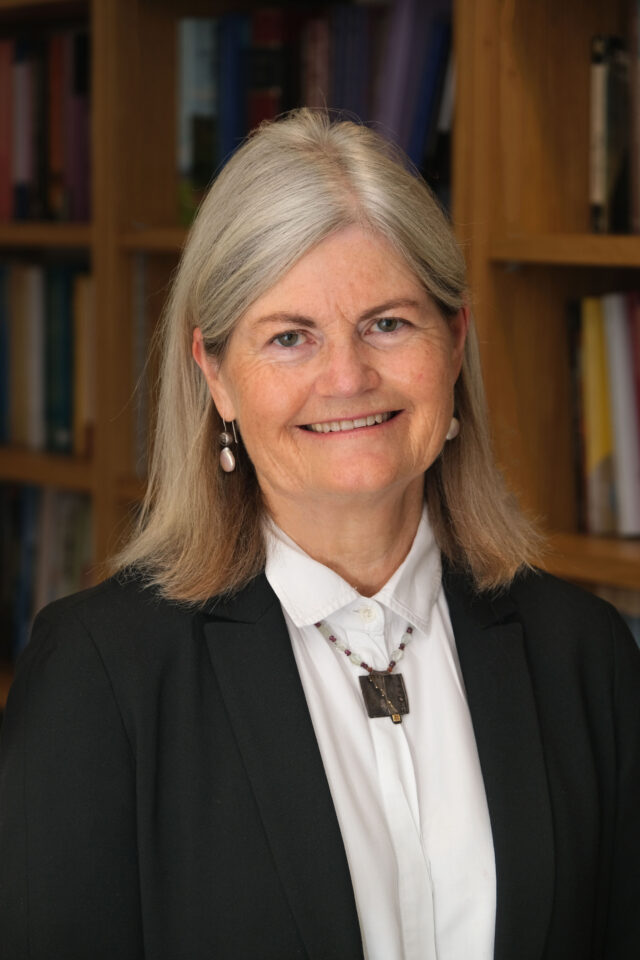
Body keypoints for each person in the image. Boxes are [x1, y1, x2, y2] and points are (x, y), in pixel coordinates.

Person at [1, 109, 638, 960]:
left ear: (455, 342)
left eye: (387, 323)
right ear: (216, 375)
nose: (347, 378)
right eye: (290, 337)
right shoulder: (101, 674)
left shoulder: (585, 655)